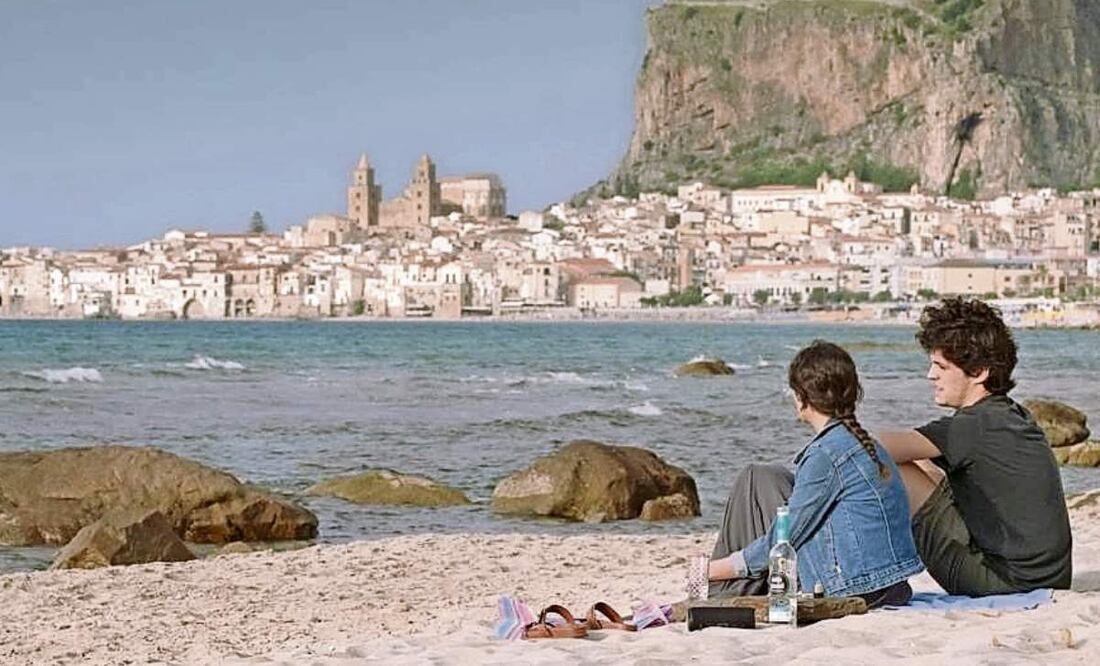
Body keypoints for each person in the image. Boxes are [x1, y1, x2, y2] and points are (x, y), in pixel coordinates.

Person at [877, 297, 1072, 596]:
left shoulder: (973, 425)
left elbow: (872, 447)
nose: (931, 375)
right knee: (927, 464)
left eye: (941, 366)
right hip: (1047, 578)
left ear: (980, 371)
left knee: (889, 466)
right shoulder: (1010, 415)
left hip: (1006, 585)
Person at [708, 340, 922, 607]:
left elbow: (784, 538)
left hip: (854, 587)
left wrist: (717, 569)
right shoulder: (865, 444)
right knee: (763, 476)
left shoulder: (826, 454)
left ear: (801, 398)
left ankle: (719, 589)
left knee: (752, 484)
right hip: (891, 583)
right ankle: (726, 587)